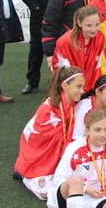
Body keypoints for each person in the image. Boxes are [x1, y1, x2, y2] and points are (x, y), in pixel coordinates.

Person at [13, 67, 85, 200]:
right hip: (40, 157)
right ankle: (25, 176)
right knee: (46, 195)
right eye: (78, 86)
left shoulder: (71, 104)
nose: (82, 91)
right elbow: (38, 139)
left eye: (83, 87)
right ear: (64, 85)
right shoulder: (49, 110)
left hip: (55, 154)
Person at [46, 109, 106, 208]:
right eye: (97, 130)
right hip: (68, 197)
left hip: (93, 198)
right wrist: (86, 189)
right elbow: (58, 179)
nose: (103, 134)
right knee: (76, 180)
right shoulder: (75, 147)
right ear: (87, 130)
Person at [18, 0, 66, 95]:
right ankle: (32, 81)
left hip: (59, 16)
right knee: (36, 49)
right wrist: (36, 7)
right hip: (39, 17)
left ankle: (61, 81)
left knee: (62, 49)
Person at [51, 6, 104, 91]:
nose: (94, 29)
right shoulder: (65, 41)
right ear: (79, 23)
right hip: (69, 86)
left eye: (97, 24)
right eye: (89, 25)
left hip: (90, 85)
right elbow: (62, 70)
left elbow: (96, 66)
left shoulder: (100, 37)